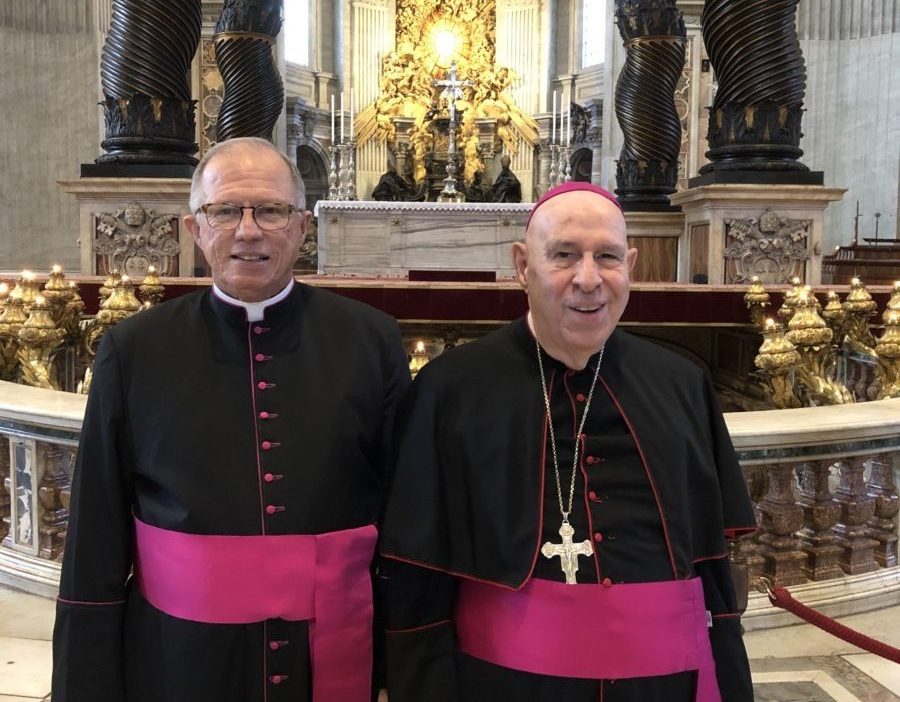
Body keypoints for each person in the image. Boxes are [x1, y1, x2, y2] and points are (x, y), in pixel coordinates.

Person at [52, 137, 410, 702]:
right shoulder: (135, 350)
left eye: (271, 210)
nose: (248, 230)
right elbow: (95, 534)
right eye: (224, 211)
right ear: (194, 229)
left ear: (302, 227)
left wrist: (403, 667)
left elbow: (403, 517)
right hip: (178, 658)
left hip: (330, 651)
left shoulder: (370, 341)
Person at [380, 181, 757, 702]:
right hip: (505, 689)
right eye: (563, 255)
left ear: (630, 265)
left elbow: (712, 566)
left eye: (607, 257)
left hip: (662, 686)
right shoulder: (451, 389)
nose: (588, 279)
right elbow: (417, 579)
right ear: (522, 265)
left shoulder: (682, 385)